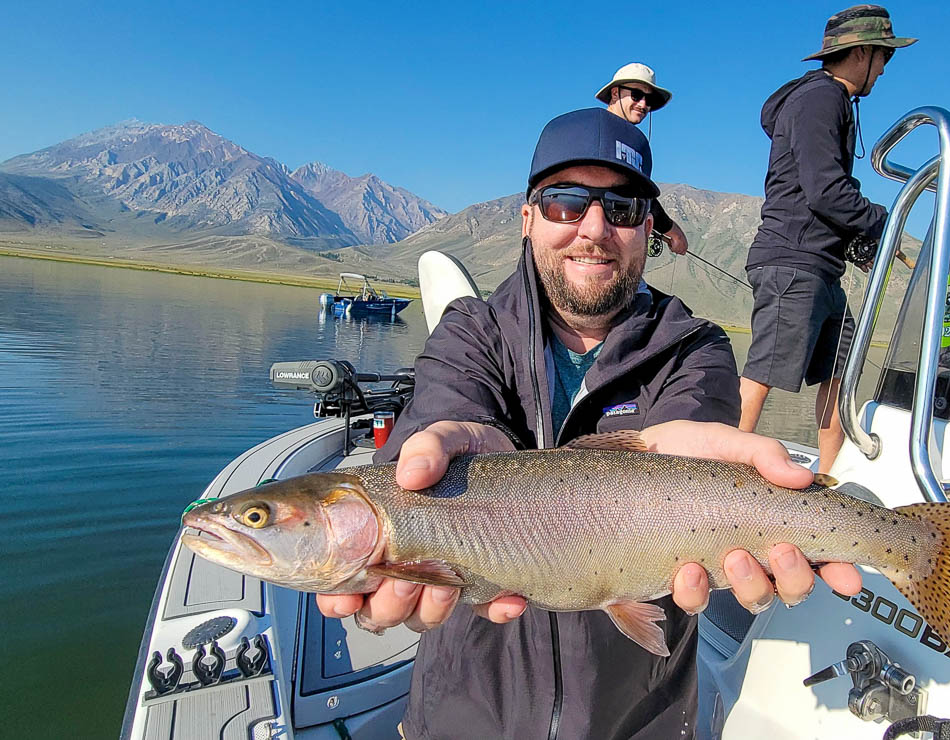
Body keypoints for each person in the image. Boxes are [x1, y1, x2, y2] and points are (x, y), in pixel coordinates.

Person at [317, 108, 861, 739]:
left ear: (648, 228)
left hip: (638, 720)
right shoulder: (470, 331)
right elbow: (443, 415)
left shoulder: (696, 347)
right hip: (465, 717)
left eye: (623, 208)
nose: (595, 229)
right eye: (566, 204)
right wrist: (452, 439)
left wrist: (665, 461)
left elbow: (694, 465)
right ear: (528, 219)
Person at [738, 5, 916, 475]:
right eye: (884, 58)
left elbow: (827, 190)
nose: (884, 69)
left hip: (820, 265)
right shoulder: (821, 99)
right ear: (861, 52)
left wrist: (858, 243)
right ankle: (714, 480)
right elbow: (825, 190)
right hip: (792, 261)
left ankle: (829, 480)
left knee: (841, 373)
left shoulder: (829, 101)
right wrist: (883, 223)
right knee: (762, 374)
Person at [596, 62, 690, 255]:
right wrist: (673, 231)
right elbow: (631, 190)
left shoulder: (635, 145)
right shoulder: (598, 132)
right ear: (615, 93)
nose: (643, 105)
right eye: (636, 95)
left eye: (649, 100)